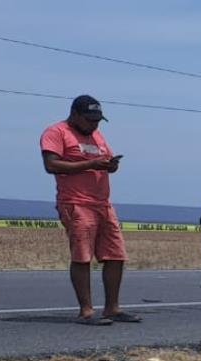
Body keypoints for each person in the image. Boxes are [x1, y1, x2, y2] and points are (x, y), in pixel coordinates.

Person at [40, 95, 139, 325]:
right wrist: (89, 164)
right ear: (74, 114)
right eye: (89, 120)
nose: (94, 125)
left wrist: (110, 166)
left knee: (116, 255)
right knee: (83, 256)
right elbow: (51, 165)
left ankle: (112, 308)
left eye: (97, 121)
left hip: (103, 203)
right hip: (76, 202)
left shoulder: (96, 135)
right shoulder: (56, 132)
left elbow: (103, 161)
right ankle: (86, 311)